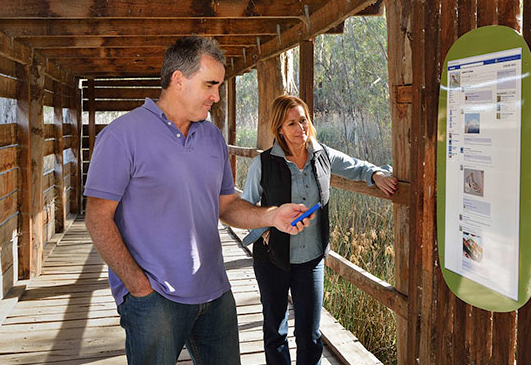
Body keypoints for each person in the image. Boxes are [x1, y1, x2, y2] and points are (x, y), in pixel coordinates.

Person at [83, 37, 313, 365]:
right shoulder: (122, 136)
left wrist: (272, 216)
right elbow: (97, 218)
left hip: (215, 293)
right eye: (210, 85)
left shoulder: (212, 137)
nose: (216, 96)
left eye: (219, 86)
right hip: (154, 298)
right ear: (178, 80)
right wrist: (136, 285)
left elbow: (225, 205)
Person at [241, 95, 398, 365]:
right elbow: (244, 207)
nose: (300, 128)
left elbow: (355, 167)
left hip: (311, 260)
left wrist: (377, 174)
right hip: (271, 258)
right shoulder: (263, 163)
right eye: (291, 123)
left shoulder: (322, 155)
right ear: (279, 128)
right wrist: (267, 228)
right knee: (275, 331)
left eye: (303, 120)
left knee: (310, 334)